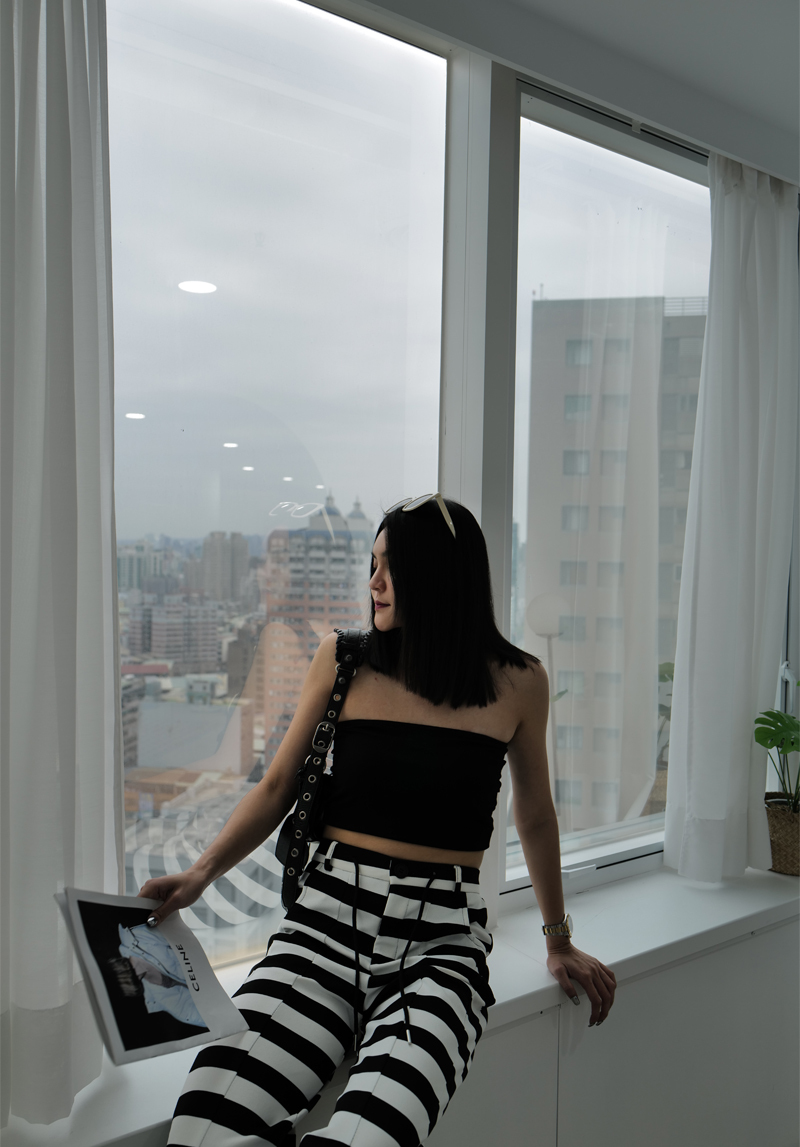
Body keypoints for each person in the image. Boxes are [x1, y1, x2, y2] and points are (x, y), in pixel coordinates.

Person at [139, 495, 616, 1147]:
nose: (374, 582)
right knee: (204, 1120)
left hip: (440, 944)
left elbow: (535, 815)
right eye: (372, 564)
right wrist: (200, 874)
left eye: (392, 566)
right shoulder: (344, 659)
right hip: (323, 926)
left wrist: (557, 939)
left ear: (440, 574)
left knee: (373, 1136)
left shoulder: (520, 681)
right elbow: (277, 785)